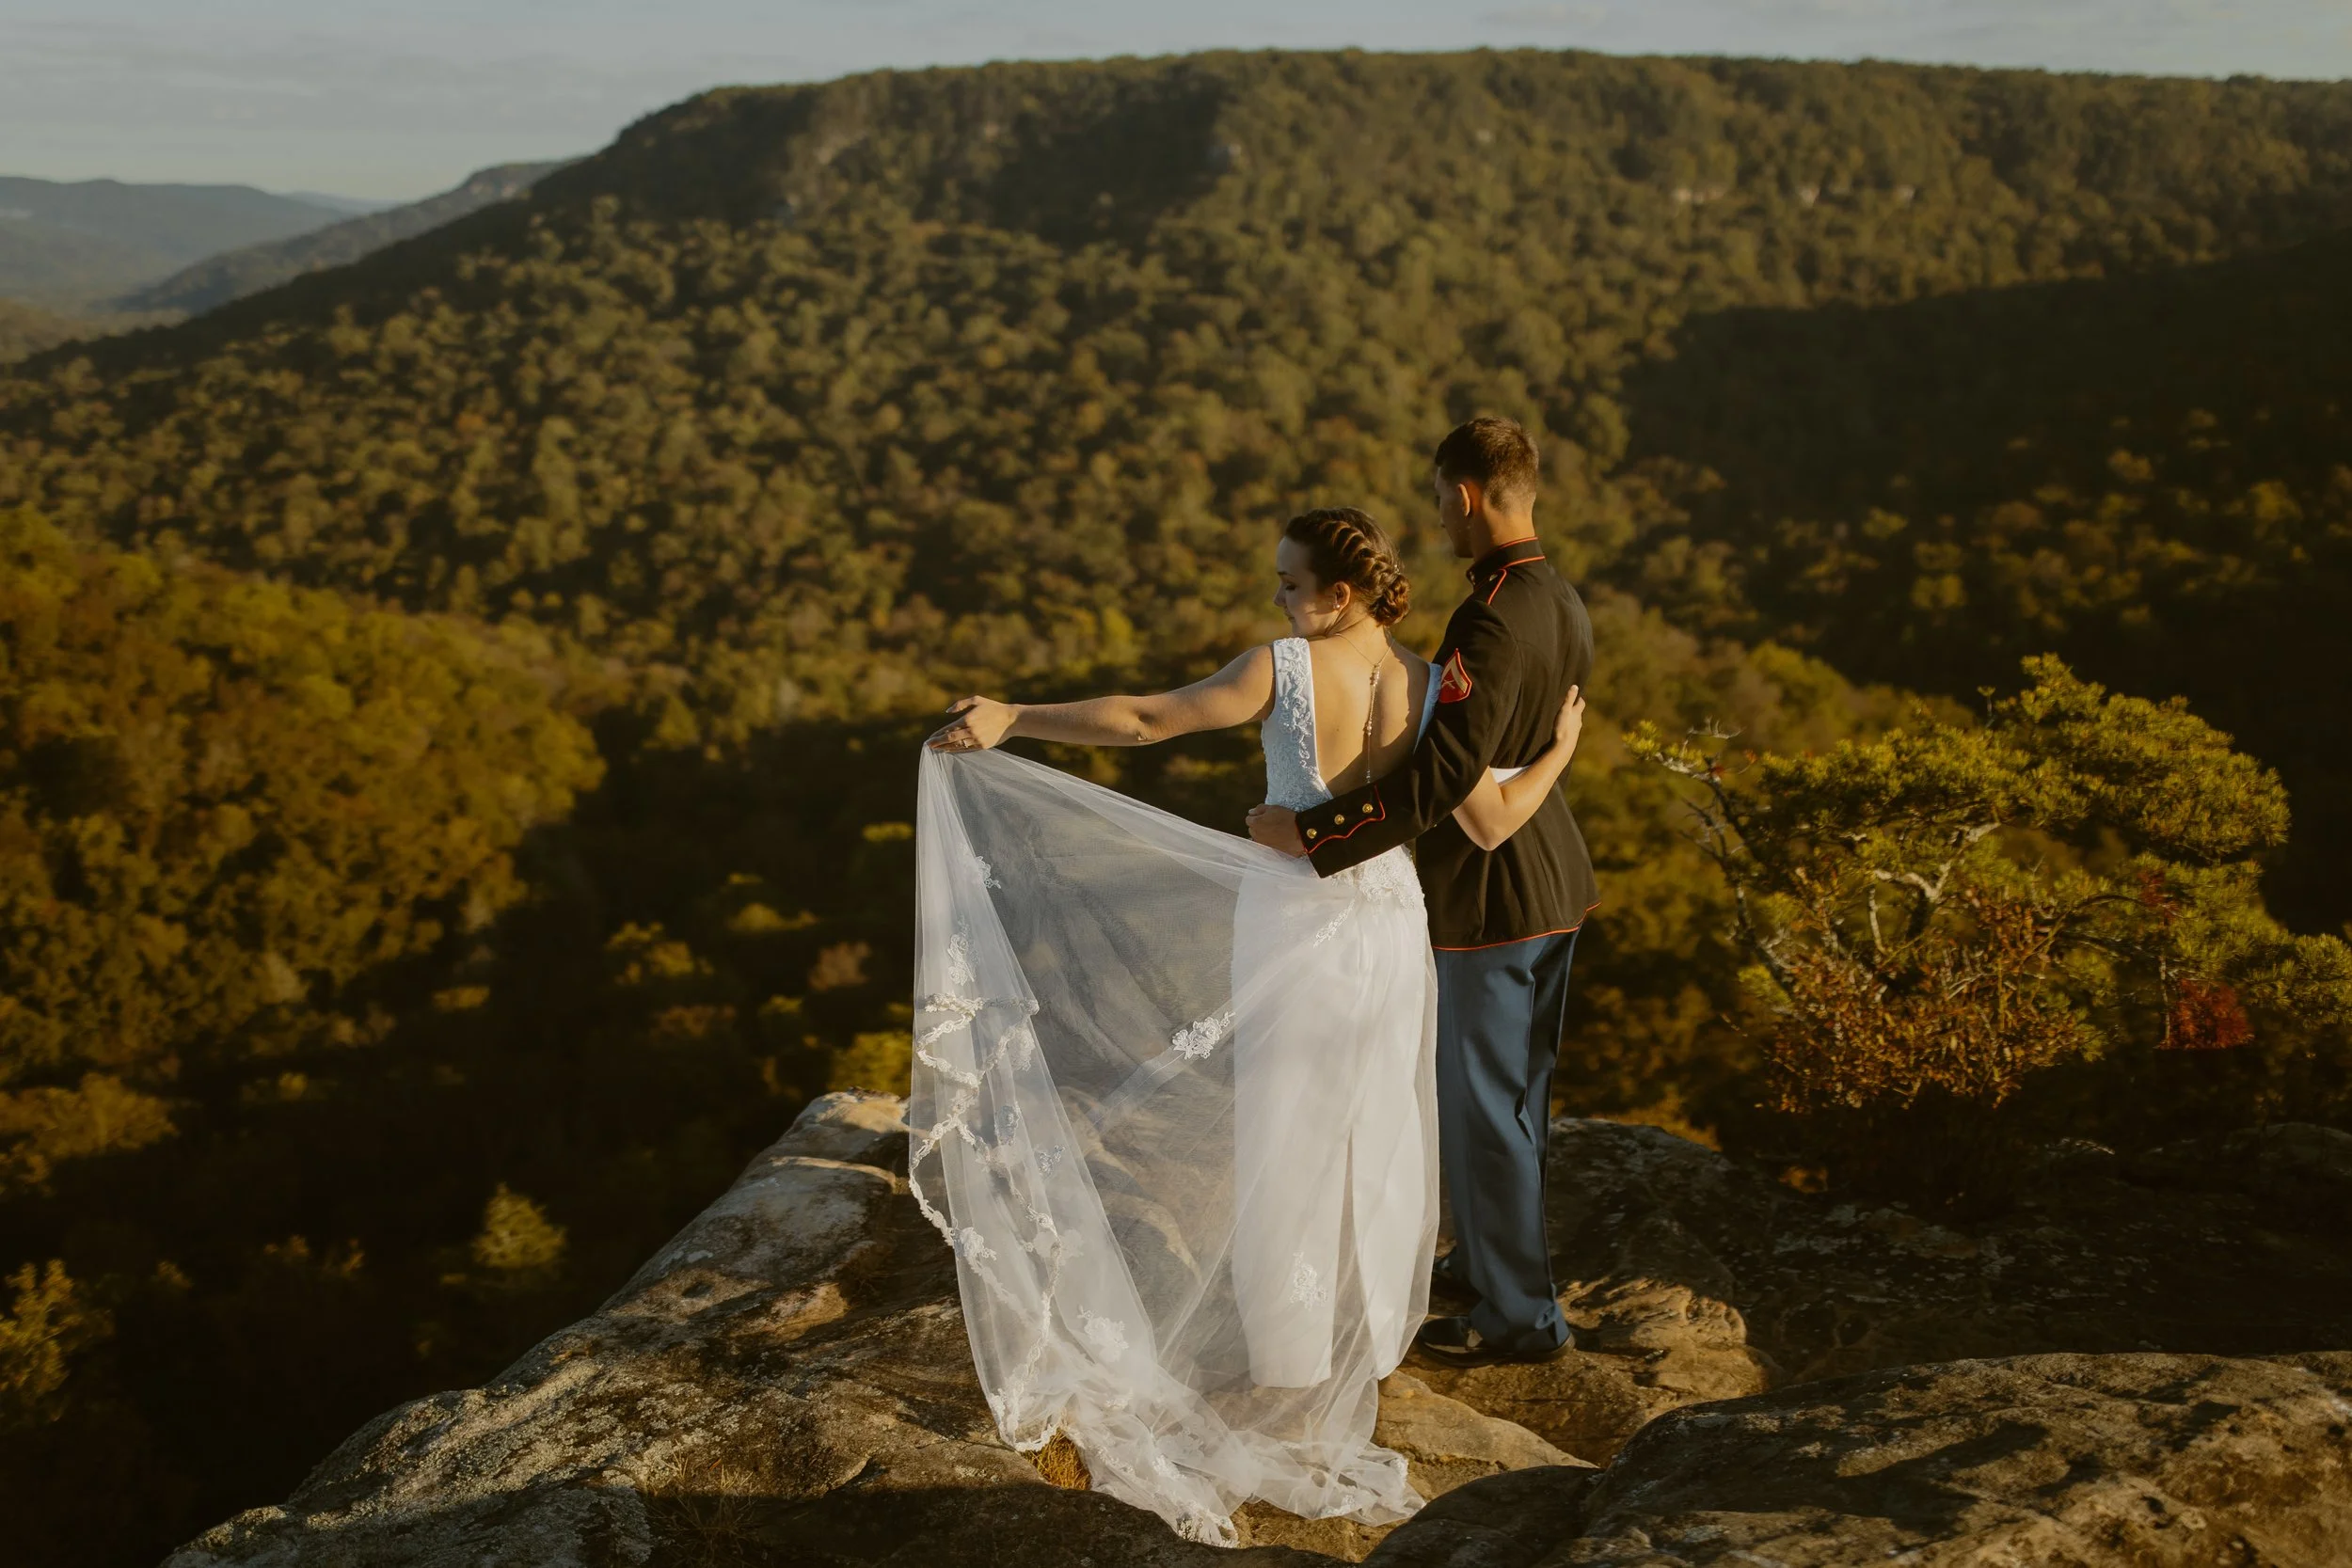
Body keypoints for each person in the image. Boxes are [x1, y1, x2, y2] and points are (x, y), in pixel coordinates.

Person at [914, 505, 1582, 1544]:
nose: (1278, 597)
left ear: (1339, 593)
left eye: (1288, 581)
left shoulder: (1278, 665)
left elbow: (1146, 720)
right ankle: (1354, 1339)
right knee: (1369, 1121)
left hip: (1294, 908)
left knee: (1286, 1125)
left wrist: (1016, 714)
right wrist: (1561, 752)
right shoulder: (1422, 680)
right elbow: (1479, 810)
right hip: (1387, 917)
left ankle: (1287, 1349)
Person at [1248, 417, 1598, 1370]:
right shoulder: (1559, 596)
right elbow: (1523, 744)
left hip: (1492, 897)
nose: (1437, 512)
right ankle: (1496, 1272)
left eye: (1441, 495)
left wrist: (1316, 834)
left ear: (1467, 496)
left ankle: (1516, 1316)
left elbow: (1444, 777)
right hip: (1556, 879)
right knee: (1517, 1101)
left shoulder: (1487, 617)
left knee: (1487, 1112)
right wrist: (1559, 754)